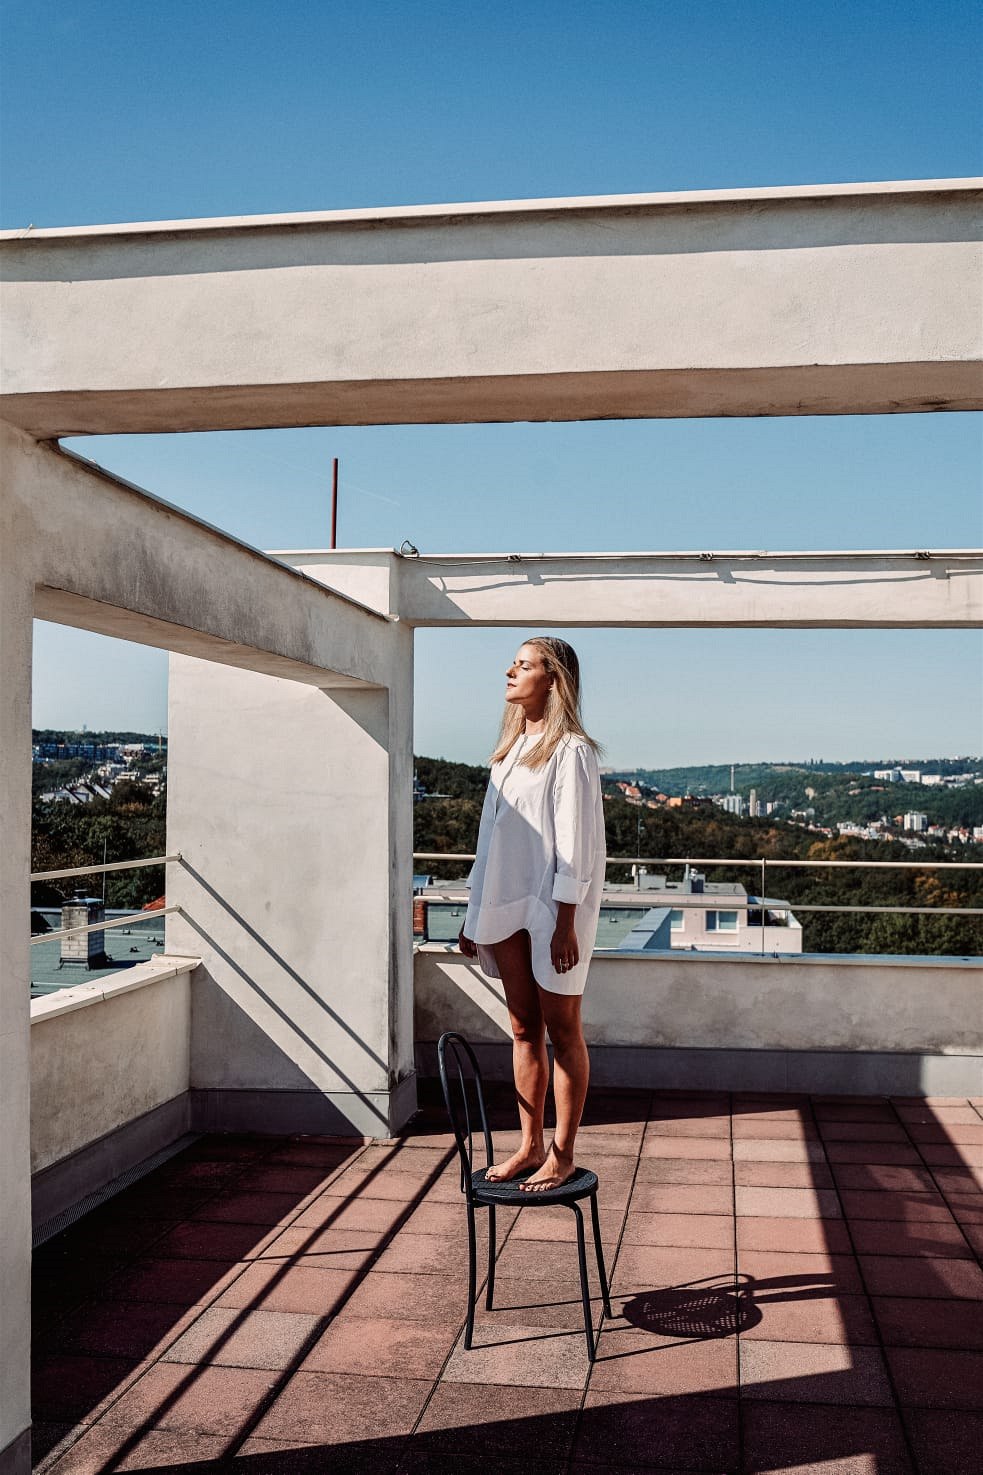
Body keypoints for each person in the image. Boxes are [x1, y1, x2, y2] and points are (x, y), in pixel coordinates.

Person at [458, 636, 606, 1191]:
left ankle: (563, 1154)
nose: (510, 672)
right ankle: (530, 1145)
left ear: (553, 679)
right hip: (506, 901)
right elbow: (488, 841)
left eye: (522, 665)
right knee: (523, 1028)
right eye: (513, 664)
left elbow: (575, 842)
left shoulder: (572, 752)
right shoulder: (510, 750)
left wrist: (566, 922)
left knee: (563, 1030)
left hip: (552, 909)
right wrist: (474, 912)